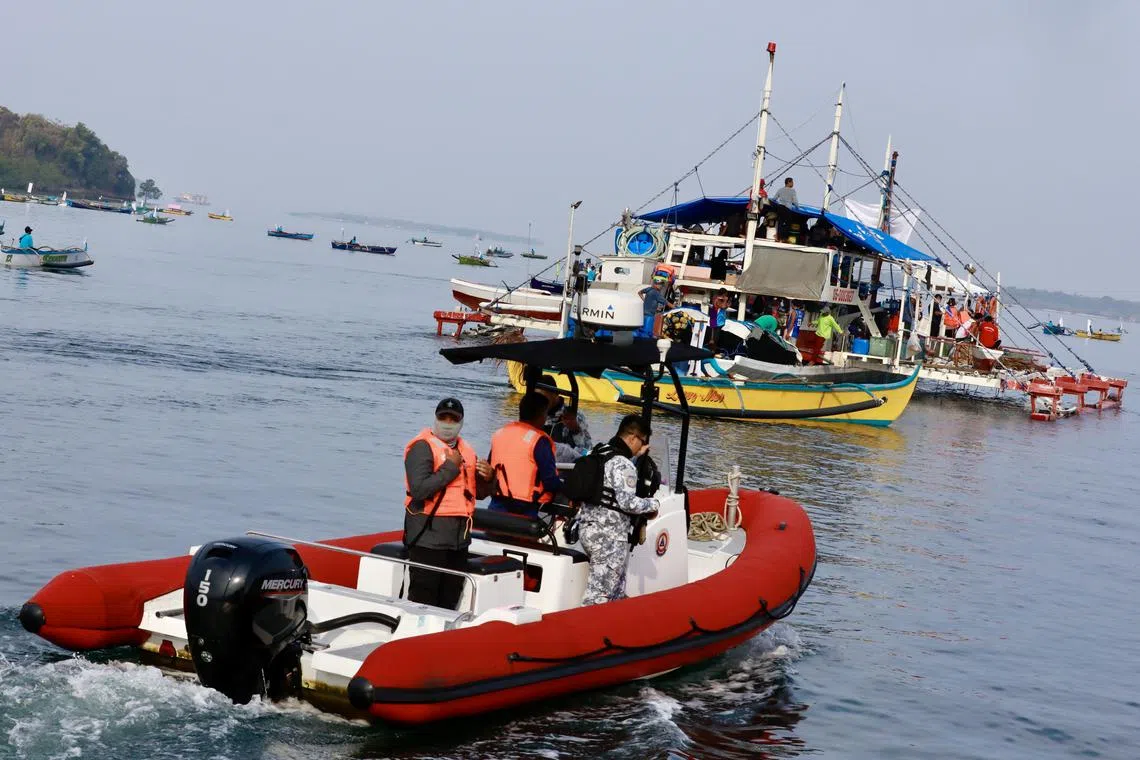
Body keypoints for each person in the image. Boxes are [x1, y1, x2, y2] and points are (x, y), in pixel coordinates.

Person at [403, 398, 494, 609]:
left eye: (453, 419)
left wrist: (489, 478)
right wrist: (450, 468)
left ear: (461, 422)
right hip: (428, 537)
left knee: (450, 599)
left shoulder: (467, 450)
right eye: (443, 417)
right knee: (423, 599)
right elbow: (419, 489)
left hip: (458, 540)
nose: (447, 423)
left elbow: (476, 493)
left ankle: (443, 637)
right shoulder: (422, 447)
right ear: (435, 418)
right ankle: (419, 639)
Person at [578, 415, 660, 606]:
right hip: (609, 536)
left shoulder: (598, 452)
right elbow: (627, 503)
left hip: (588, 528)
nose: (644, 447)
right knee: (600, 595)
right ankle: (588, 632)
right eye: (643, 441)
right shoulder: (623, 464)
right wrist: (653, 504)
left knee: (614, 589)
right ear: (632, 438)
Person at [488, 392, 563, 518]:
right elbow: (550, 482)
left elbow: (489, 469)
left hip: (495, 508)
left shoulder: (500, 433)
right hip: (525, 514)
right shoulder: (539, 441)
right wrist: (568, 488)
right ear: (542, 415)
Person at [537, 374, 592, 460]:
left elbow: (587, 449)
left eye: (543, 397)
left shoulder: (575, 416)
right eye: (537, 398)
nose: (540, 402)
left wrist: (575, 430)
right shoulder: (537, 413)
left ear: (555, 394)